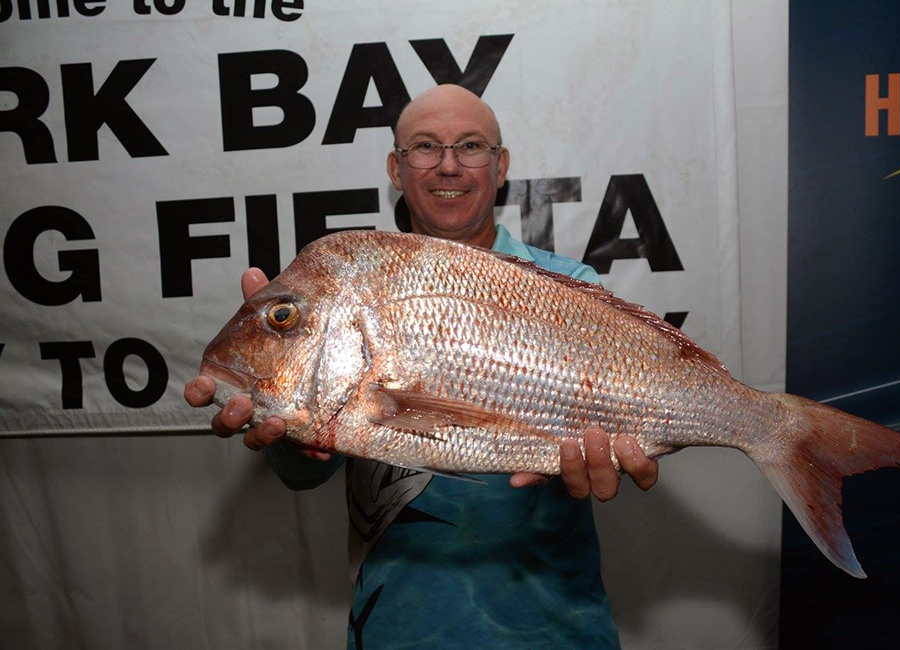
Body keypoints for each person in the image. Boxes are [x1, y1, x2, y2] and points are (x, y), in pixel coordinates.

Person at [185, 84, 658, 649]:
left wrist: (618, 455)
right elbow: (303, 472)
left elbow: (629, 433)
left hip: (553, 626)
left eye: (471, 146)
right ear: (396, 166)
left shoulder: (572, 289)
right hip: (399, 627)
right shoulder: (349, 286)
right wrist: (296, 437)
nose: (449, 166)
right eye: (426, 146)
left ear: (500, 165)